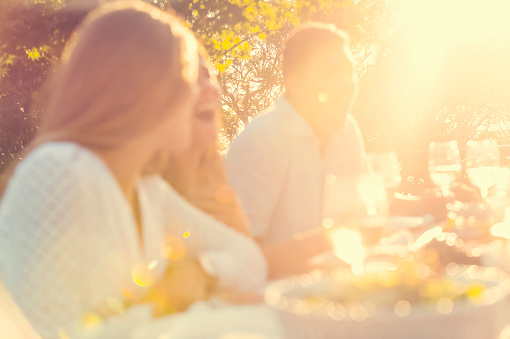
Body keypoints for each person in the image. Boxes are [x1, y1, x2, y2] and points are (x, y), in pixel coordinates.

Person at [0, 2, 266, 339]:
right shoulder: (61, 171)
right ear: (150, 90)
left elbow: (249, 259)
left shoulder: (147, 190)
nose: (197, 93)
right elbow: (61, 332)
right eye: (186, 76)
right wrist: (193, 304)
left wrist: (201, 272)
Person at [226, 22, 364, 278]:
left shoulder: (348, 131)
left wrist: (426, 204)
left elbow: (361, 213)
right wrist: (326, 242)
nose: (346, 83)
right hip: (272, 307)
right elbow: (238, 258)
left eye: (349, 71)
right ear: (296, 83)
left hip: (340, 292)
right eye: (330, 72)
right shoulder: (261, 141)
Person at [163, 52, 250, 237]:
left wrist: (239, 226)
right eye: (193, 78)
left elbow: (248, 259)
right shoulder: (145, 186)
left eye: (209, 76)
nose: (211, 89)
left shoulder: (215, 168)